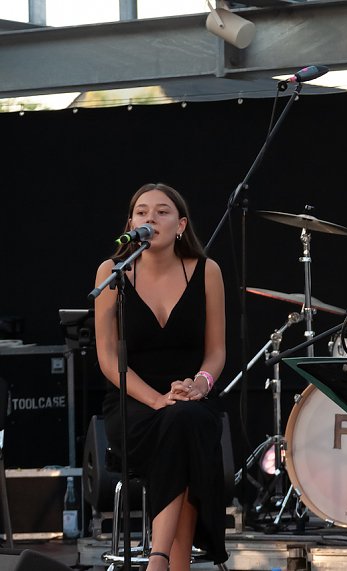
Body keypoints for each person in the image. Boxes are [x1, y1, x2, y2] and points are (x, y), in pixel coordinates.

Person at [94, 183, 227, 571]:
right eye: (141, 212)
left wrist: (200, 383)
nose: (150, 217)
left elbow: (216, 351)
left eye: (162, 211)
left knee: (185, 421)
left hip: (192, 396)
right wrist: (156, 399)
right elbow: (106, 357)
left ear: (181, 225)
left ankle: (159, 559)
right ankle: (168, 563)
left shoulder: (207, 271)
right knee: (179, 425)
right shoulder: (113, 273)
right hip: (133, 402)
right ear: (131, 224)